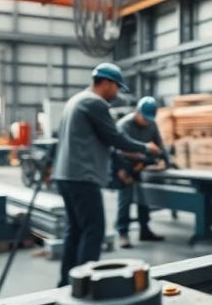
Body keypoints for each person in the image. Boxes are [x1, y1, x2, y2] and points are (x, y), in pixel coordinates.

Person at [53, 63, 161, 287]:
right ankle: (87, 286)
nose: (117, 93)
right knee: (94, 230)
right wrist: (146, 148)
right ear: (105, 83)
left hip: (65, 175)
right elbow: (115, 139)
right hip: (83, 177)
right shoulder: (94, 103)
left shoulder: (75, 100)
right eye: (117, 88)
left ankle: (67, 283)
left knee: (75, 231)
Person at [112, 96, 171, 249]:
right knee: (125, 199)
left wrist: (167, 161)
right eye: (145, 118)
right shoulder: (124, 125)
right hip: (125, 166)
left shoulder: (152, 125)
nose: (147, 122)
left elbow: (160, 145)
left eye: (149, 119)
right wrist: (121, 170)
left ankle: (144, 230)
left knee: (144, 200)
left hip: (142, 166)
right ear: (138, 112)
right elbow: (117, 149)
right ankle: (122, 233)